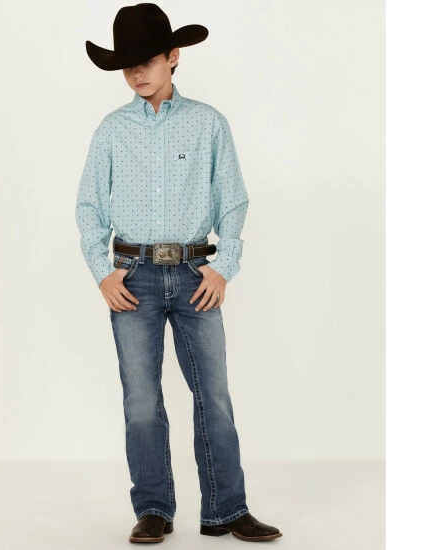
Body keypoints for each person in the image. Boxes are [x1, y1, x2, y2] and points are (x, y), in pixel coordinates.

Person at [75, 3, 282, 544]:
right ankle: (153, 509)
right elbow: (89, 206)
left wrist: (224, 267)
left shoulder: (208, 122)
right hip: (132, 278)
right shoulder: (112, 130)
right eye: (127, 65)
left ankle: (226, 510)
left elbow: (232, 200)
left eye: (145, 61)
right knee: (141, 400)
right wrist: (103, 272)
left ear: (173, 57)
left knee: (214, 395)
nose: (136, 73)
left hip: (195, 274)